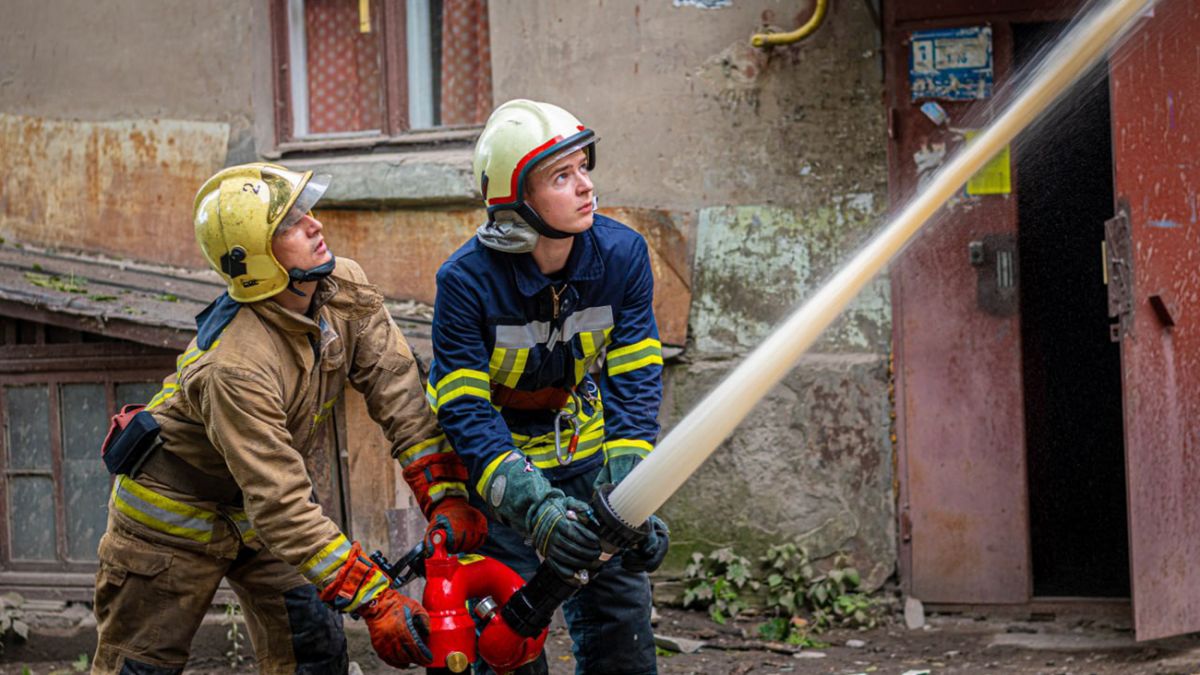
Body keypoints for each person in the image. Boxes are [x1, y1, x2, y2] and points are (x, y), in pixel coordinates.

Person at [92, 163, 488, 674]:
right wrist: (376, 600)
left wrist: (445, 494)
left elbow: (402, 396)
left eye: (307, 211)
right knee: (140, 667)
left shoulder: (344, 288)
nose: (314, 225)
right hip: (171, 514)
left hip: (259, 513)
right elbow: (280, 502)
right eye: (289, 223)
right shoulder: (234, 365)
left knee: (313, 653)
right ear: (253, 258)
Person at [427, 99, 670, 674]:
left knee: (622, 640)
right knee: (508, 652)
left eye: (584, 166)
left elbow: (635, 383)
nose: (586, 186)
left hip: (585, 460)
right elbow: (466, 413)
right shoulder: (464, 281)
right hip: (497, 481)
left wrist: (633, 502)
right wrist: (536, 512)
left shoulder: (622, 256)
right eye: (562, 176)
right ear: (516, 200)